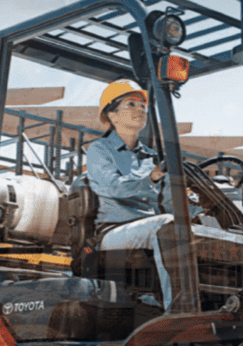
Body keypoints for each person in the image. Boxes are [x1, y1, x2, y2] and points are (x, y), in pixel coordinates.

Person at [85, 79, 199, 311]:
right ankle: (177, 310)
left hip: (148, 228)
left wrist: (198, 208)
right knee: (166, 226)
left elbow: (168, 200)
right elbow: (112, 187)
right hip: (112, 231)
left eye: (143, 106)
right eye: (131, 104)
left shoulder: (151, 157)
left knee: (195, 227)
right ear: (112, 115)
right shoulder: (99, 150)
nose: (140, 110)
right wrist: (151, 179)